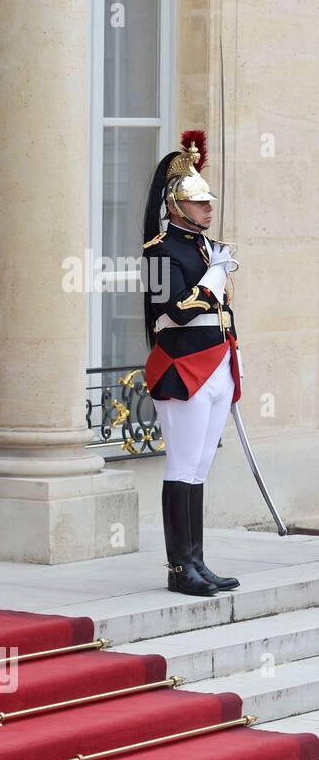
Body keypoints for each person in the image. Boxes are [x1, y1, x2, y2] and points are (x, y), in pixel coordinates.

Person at [141, 130, 242, 597]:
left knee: (200, 466)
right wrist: (218, 273)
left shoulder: (202, 247)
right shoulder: (160, 249)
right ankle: (179, 569)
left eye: (208, 201)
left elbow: (219, 314)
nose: (208, 208)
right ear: (176, 205)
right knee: (181, 464)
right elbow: (175, 309)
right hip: (183, 367)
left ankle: (197, 560)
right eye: (199, 202)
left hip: (217, 364)